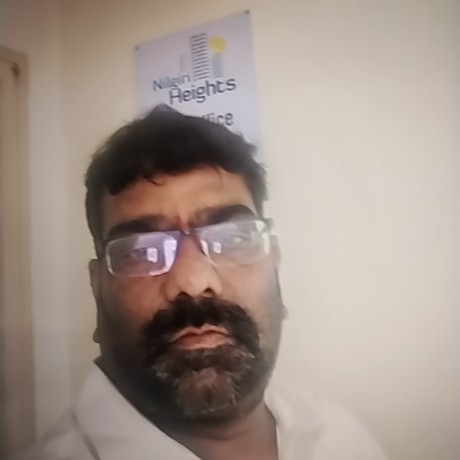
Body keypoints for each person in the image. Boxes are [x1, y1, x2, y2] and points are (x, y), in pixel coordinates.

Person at [18, 107, 387, 460]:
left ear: (274, 266)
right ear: (98, 290)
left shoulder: (342, 437)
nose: (193, 282)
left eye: (232, 238)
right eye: (141, 250)